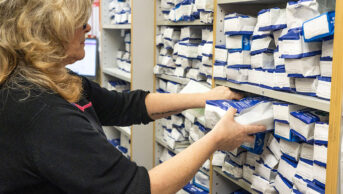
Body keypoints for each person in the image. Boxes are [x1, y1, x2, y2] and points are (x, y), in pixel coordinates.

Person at [0, 0, 266, 194]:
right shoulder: (42, 113)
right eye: (80, 23)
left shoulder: (49, 79)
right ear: (49, 34)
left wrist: (204, 98)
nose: (88, 28)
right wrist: (216, 140)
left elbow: (129, 106)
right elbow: (140, 189)